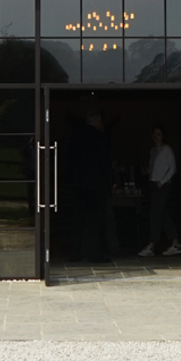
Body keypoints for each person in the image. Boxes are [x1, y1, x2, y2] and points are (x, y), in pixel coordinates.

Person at [66, 111, 115, 264]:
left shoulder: (76, 136)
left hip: (78, 185)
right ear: (97, 120)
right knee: (95, 222)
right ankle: (94, 254)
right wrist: (111, 181)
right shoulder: (99, 137)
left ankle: (75, 254)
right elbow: (105, 161)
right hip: (96, 185)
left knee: (78, 221)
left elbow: (69, 160)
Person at [137, 127, 181, 258]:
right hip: (154, 184)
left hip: (161, 186)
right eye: (154, 134)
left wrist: (162, 181)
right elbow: (153, 169)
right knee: (162, 214)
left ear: (163, 136)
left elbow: (172, 168)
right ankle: (175, 243)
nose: (156, 136)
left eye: (159, 134)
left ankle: (152, 245)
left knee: (156, 215)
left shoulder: (166, 149)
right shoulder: (153, 151)